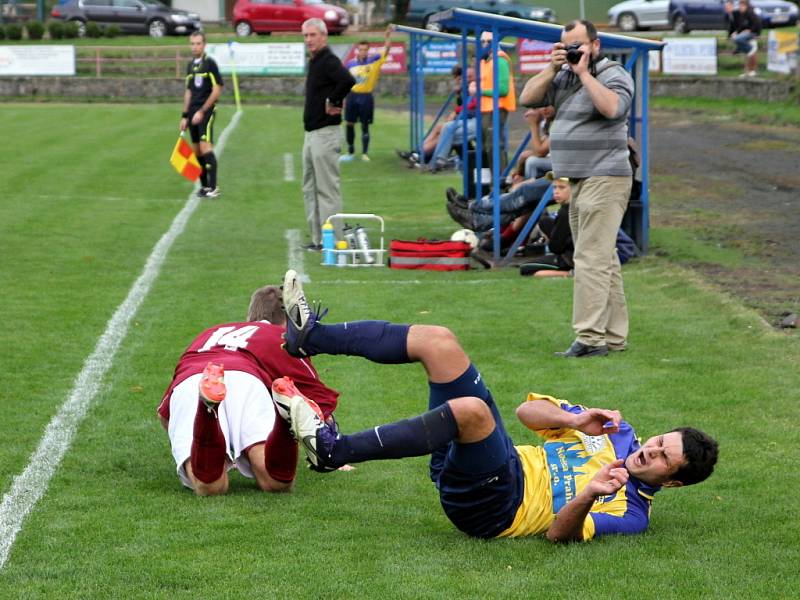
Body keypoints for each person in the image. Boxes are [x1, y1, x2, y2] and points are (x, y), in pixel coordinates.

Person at [272, 270, 719, 542]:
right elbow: (526, 415)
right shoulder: (616, 431)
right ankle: (310, 337)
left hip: (497, 506)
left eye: (663, 459)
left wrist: (590, 493)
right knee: (439, 341)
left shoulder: (632, 515)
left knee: (472, 412)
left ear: (672, 483)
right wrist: (575, 418)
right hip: (495, 460)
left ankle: (335, 451)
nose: (652, 451)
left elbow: (557, 534)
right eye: (661, 442)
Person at [520, 20, 635, 358]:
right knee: (604, 259)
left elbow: (613, 109)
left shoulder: (613, 74)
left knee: (589, 257)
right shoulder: (561, 76)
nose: (572, 51)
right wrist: (551, 67)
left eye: (578, 45)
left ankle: (590, 339)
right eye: (566, 45)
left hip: (606, 175)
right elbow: (527, 97)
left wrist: (585, 74)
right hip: (578, 178)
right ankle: (613, 337)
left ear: (595, 45)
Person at [157, 284, 339, 495]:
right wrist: (335, 451)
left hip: (196, 380)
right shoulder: (281, 338)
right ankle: (284, 418)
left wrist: (201, 443)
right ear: (288, 322)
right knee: (275, 483)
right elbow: (319, 399)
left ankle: (208, 412)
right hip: (249, 382)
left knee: (209, 486)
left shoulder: (209, 333)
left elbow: (164, 415)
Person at [301, 18, 356, 251]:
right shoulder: (315, 61)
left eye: (313, 35)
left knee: (327, 189)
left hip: (325, 133)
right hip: (312, 133)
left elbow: (347, 80)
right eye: (305, 36)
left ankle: (332, 239)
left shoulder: (328, 60)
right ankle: (318, 238)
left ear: (323, 36)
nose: (309, 40)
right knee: (310, 187)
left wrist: (333, 100)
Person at [180, 31, 224, 199]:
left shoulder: (210, 63)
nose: (195, 47)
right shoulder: (190, 65)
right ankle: (205, 186)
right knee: (196, 151)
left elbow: (218, 88)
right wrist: (185, 115)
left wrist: (202, 110)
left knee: (206, 147)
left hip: (206, 112)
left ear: (204, 45)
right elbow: (189, 91)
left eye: (198, 43)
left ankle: (214, 188)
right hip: (192, 113)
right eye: (192, 43)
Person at [340, 26, 394, 163]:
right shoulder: (350, 64)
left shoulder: (374, 60)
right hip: (352, 96)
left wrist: (387, 36)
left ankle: (364, 153)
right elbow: (344, 82)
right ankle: (350, 152)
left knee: (365, 125)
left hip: (366, 97)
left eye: (365, 49)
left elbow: (387, 49)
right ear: (357, 50)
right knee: (350, 123)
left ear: (368, 50)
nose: (362, 52)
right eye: (360, 49)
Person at [478, 31, 517, 172]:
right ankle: (496, 181)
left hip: (498, 108)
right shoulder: (486, 61)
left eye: (487, 41)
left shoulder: (500, 60)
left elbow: (503, 90)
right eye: (482, 41)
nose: (484, 44)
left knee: (494, 145)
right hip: (487, 109)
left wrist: (480, 91)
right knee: (489, 146)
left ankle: (500, 181)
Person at [727, 0, 762, 77]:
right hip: (746, 34)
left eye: (741, 6)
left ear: (745, 6)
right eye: (739, 6)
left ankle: (753, 70)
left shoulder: (750, 12)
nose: (739, 8)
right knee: (746, 52)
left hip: (753, 34)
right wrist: (736, 32)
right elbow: (742, 26)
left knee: (750, 51)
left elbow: (757, 23)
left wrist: (751, 30)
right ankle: (747, 72)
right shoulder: (742, 14)